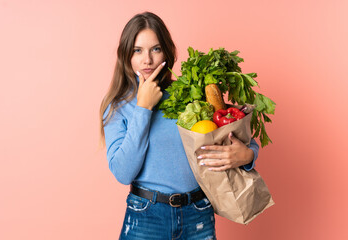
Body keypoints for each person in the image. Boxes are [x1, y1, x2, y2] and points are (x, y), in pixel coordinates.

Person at [99, 12, 259, 240]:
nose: (147, 60)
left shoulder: (188, 95)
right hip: (146, 217)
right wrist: (143, 109)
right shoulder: (118, 107)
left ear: (167, 51)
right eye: (138, 50)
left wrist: (247, 155)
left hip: (198, 214)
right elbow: (124, 173)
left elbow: (241, 138)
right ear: (126, 55)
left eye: (155, 49)